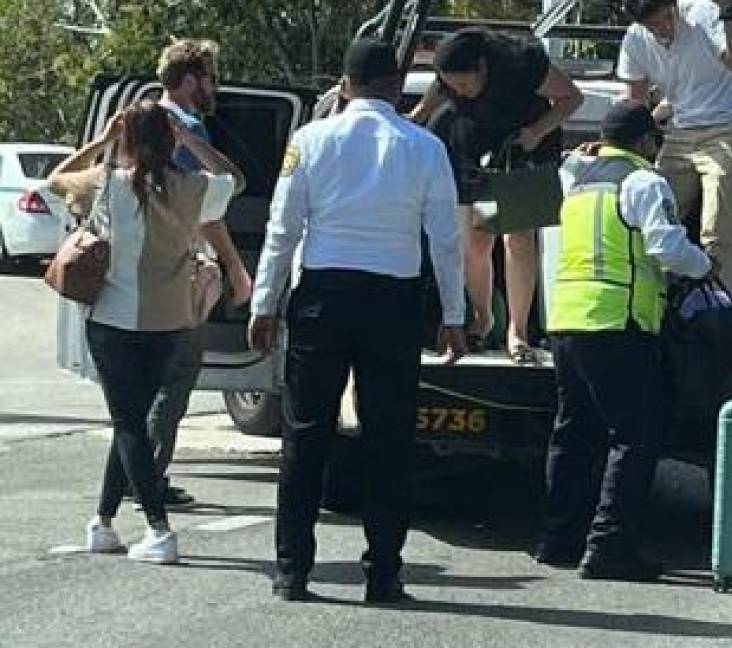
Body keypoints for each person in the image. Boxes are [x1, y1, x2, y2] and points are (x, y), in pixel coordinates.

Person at [248, 39, 466, 603]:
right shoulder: (424, 148)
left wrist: (264, 304)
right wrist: (454, 314)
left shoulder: (310, 141)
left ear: (343, 87)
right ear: (397, 87)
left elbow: (282, 230)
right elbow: (445, 238)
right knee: (389, 440)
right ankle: (384, 572)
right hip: (393, 303)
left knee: (305, 433)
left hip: (323, 298)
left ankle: (292, 569)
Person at [47, 100, 245, 564]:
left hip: (113, 322)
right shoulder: (192, 187)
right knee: (131, 421)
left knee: (129, 423)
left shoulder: (105, 184)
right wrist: (192, 138)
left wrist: (104, 139)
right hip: (170, 322)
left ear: (129, 140)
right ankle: (104, 522)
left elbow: (55, 179)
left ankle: (159, 529)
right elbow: (236, 180)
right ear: (170, 138)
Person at [537, 100, 713, 581]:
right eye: (655, 140)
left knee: (572, 432)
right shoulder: (644, 183)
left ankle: (558, 538)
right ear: (642, 142)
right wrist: (705, 264)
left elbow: (570, 160)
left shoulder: (577, 186)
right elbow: (666, 247)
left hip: (567, 321)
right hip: (619, 323)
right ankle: (609, 544)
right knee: (634, 436)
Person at [409, 27, 583, 365]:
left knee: (518, 240)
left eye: (464, 85)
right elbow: (440, 90)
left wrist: (536, 132)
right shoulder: (451, 75)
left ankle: (518, 332)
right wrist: (418, 115)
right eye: (451, 85)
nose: (459, 91)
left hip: (525, 143)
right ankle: (483, 317)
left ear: (482, 68)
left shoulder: (522, 61)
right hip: (476, 144)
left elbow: (572, 98)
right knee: (475, 241)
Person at [143, 38, 253, 506]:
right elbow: (208, 211)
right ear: (190, 80)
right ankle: (148, 476)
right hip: (179, 269)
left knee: (143, 378)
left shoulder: (138, 121)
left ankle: (134, 472)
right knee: (177, 375)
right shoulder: (187, 129)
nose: (214, 88)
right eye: (210, 79)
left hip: (138, 269)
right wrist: (235, 266)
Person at [618, 0, 732, 294]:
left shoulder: (703, 14)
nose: (665, 28)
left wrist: (729, 11)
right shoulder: (634, 41)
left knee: (717, 228)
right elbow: (634, 107)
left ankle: (721, 312)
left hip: (730, 126)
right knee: (648, 212)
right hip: (680, 132)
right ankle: (651, 306)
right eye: (654, 25)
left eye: (667, 18)